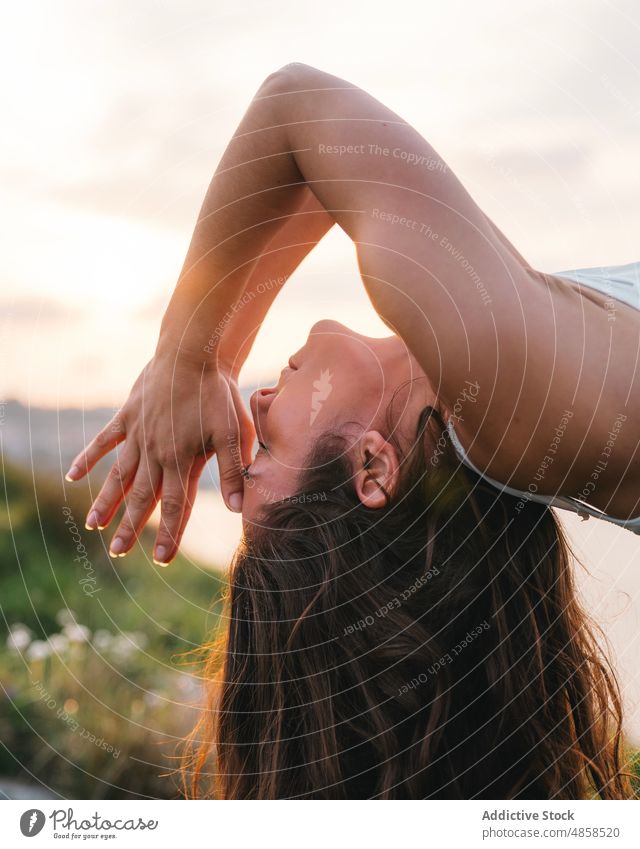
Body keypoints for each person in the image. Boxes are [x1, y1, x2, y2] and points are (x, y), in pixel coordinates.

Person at [66, 64, 639, 797]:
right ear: (373, 468)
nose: (257, 403)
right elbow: (297, 107)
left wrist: (199, 357)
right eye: (266, 447)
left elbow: (309, 176)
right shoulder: (499, 379)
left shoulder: (505, 401)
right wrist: (185, 357)